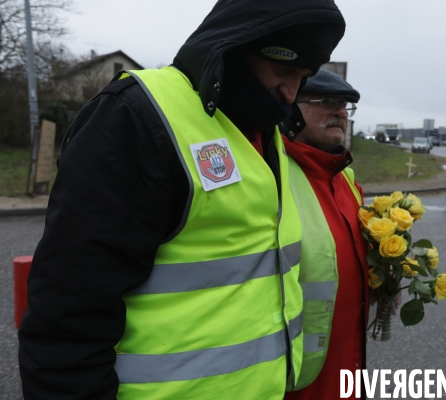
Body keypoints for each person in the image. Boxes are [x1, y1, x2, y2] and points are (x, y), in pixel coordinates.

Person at [18, 1, 345, 399]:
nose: (291, 92)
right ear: (237, 46)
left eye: (304, 78)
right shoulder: (138, 116)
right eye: (285, 70)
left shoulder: (262, 131)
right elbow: (68, 314)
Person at [283, 69, 369, 399]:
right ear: (291, 107)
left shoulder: (345, 178)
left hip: (348, 363)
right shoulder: (270, 172)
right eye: (328, 102)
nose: (340, 113)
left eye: (346, 105)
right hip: (297, 377)